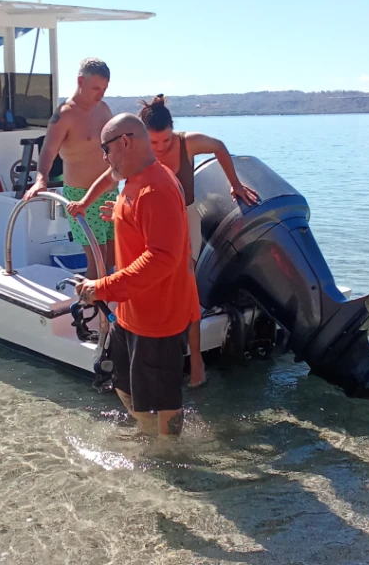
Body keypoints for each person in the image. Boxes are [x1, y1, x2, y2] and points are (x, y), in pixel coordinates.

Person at [68, 94, 259, 388]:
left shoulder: (188, 142)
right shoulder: (136, 157)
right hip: (147, 216)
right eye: (154, 143)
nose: (159, 148)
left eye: (165, 142)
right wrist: (84, 202)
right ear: (141, 139)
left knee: (186, 283)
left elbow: (219, 147)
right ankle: (134, 343)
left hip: (184, 217)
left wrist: (235, 185)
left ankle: (195, 359)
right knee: (141, 272)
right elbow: (109, 177)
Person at [74, 114, 200, 437]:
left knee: (165, 398)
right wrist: (118, 213)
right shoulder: (132, 179)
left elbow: (161, 258)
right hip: (131, 314)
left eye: (106, 148)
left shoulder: (156, 188)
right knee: (117, 376)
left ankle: (170, 458)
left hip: (158, 321)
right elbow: (139, 223)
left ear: (126, 143)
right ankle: (148, 433)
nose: (104, 157)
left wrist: (102, 288)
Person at [23, 58, 116, 279]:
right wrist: (41, 179)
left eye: (104, 89)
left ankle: (107, 305)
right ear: (80, 81)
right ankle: (90, 309)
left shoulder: (104, 109)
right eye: (95, 88)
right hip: (82, 196)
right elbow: (47, 151)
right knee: (98, 259)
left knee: (114, 257)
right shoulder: (64, 115)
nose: (100, 94)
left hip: (111, 191)